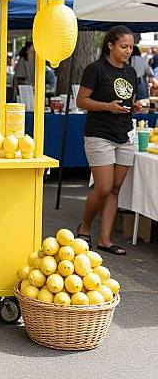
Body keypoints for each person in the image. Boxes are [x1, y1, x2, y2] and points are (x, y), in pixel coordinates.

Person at [76, 26, 141, 256]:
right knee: (103, 187)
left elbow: (126, 101)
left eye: (131, 47)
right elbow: (81, 101)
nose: (128, 51)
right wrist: (107, 107)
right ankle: (84, 227)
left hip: (124, 133)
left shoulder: (131, 72)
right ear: (111, 45)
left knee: (115, 188)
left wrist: (134, 106)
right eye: (124, 46)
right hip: (99, 133)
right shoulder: (96, 69)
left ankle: (105, 239)